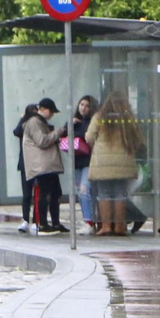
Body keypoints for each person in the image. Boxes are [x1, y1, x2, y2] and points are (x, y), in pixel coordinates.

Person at [87, 91, 143, 236]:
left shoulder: (99, 117)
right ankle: (119, 226)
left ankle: (106, 226)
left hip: (103, 161)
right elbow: (138, 139)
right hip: (123, 160)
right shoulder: (128, 118)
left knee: (104, 193)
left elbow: (89, 137)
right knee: (120, 193)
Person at [22, 98, 69, 233]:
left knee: (55, 193)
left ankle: (55, 223)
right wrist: (60, 131)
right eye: (51, 111)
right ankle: (42, 224)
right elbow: (42, 141)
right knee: (45, 193)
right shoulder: (34, 122)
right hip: (42, 166)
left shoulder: (40, 122)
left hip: (47, 165)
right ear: (42, 109)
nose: (52, 114)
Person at [12, 104, 39, 233]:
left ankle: (36, 220)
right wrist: (23, 119)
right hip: (25, 163)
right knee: (27, 194)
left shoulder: (40, 126)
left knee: (37, 194)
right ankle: (25, 219)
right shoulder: (23, 126)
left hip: (38, 163)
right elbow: (16, 131)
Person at [71, 95, 97, 232]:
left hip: (89, 161)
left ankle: (89, 221)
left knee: (84, 190)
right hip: (77, 161)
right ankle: (87, 219)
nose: (83, 108)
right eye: (81, 105)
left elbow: (88, 137)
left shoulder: (91, 122)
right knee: (80, 192)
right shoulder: (75, 121)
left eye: (87, 106)